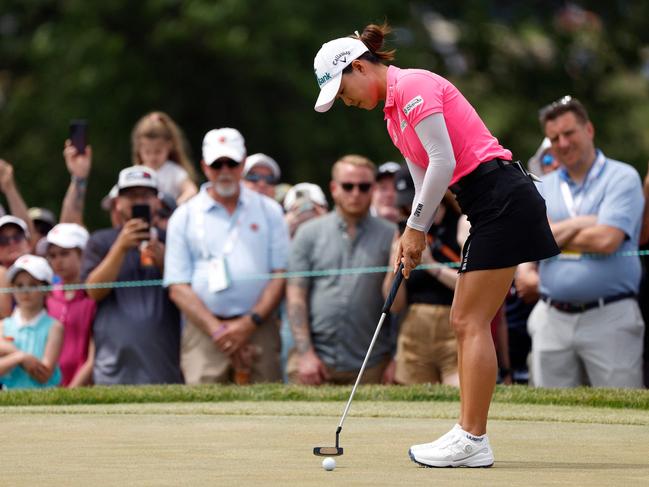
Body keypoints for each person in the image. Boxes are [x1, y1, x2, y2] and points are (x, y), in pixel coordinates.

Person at [313, 24, 559, 467]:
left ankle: (472, 438)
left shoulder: (412, 86)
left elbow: (443, 160)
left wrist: (415, 228)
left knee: (467, 319)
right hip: (485, 205)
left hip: (502, 196)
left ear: (359, 66)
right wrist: (414, 235)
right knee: (466, 319)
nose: (345, 101)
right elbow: (424, 177)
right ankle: (469, 434)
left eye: (342, 89)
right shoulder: (392, 118)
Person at [523, 96, 645, 389]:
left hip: (610, 317)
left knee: (621, 417)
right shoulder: (542, 185)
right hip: (552, 317)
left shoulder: (622, 177)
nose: (562, 143)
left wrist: (553, 234)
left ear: (588, 129)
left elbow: (607, 239)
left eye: (569, 133)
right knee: (551, 420)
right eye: (554, 138)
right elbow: (531, 240)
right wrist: (583, 222)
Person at [164, 128, 289, 384]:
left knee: (268, 414)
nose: (224, 170)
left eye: (231, 163)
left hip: (259, 326)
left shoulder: (269, 210)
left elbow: (280, 275)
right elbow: (177, 286)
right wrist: (217, 329)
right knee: (203, 416)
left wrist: (248, 323)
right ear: (204, 166)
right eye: (216, 163)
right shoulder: (184, 215)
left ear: (243, 163)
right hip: (204, 332)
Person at [286, 154, 396, 385]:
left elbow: (400, 304)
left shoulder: (392, 234)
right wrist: (305, 353)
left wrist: (396, 358)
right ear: (334, 188)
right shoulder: (309, 233)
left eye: (364, 187)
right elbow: (296, 296)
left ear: (373, 189)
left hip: (373, 362)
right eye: (348, 186)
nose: (355, 193)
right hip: (316, 360)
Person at [82, 166, 182, 385]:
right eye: (131, 195)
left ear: (158, 201)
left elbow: (186, 292)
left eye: (146, 195)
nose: (139, 201)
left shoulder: (173, 239)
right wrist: (120, 247)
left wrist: (165, 261)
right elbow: (93, 292)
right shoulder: (101, 241)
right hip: (113, 370)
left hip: (163, 367)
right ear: (118, 202)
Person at [382, 166, 460, 386]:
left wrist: (432, 266)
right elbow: (395, 306)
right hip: (414, 332)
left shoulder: (461, 224)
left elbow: (471, 287)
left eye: (414, 202)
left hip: (453, 327)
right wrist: (394, 266)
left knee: (457, 398)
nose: (409, 209)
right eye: (406, 204)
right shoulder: (403, 230)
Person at [0, 254, 63, 389]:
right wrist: (20, 357)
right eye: (19, 285)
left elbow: (44, 375)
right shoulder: (3, 326)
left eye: (33, 285)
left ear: (46, 289)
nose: (25, 291)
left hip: (45, 403)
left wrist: (11, 353)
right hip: (9, 404)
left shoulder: (54, 327)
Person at [45, 223, 96, 388]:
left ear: (83, 254)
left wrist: (72, 390)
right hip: (50, 384)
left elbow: (93, 356)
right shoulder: (47, 296)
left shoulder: (94, 295)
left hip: (86, 386)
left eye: (64, 254)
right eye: (52, 256)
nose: (57, 261)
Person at [131, 111, 198, 204]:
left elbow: (191, 190)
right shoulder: (135, 173)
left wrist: (175, 207)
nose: (152, 157)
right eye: (147, 152)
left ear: (169, 146)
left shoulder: (174, 171)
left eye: (158, 152)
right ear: (139, 149)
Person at [0, 216, 32, 317]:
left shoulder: (48, 274)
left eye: (17, 237)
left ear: (28, 243)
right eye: (3, 240)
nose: (11, 242)